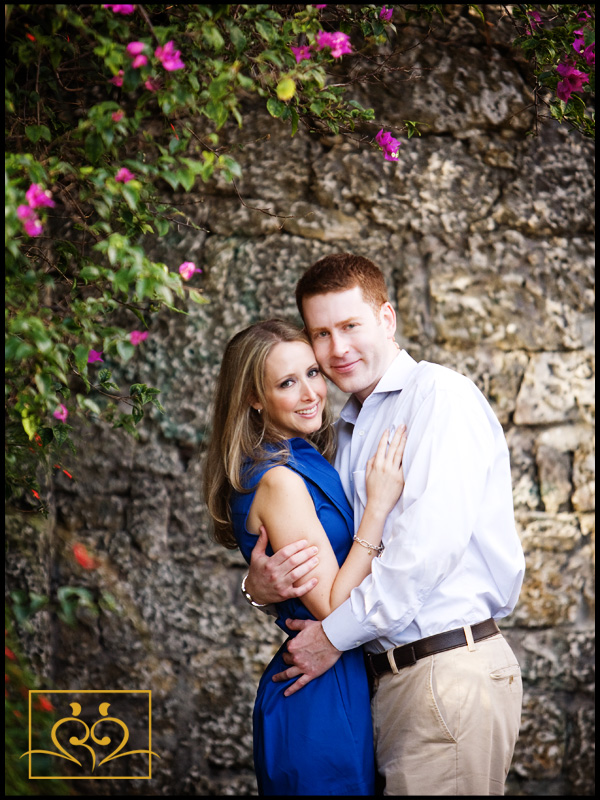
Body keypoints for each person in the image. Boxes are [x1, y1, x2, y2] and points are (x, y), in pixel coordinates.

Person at [243, 253, 526, 796]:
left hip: (445, 673)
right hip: (383, 681)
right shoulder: (345, 429)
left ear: (387, 319)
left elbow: (423, 555)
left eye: (351, 326)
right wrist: (257, 589)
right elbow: (334, 560)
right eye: (321, 333)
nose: (337, 349)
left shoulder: (438, 398)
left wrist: (331, 636)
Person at [202, 318, 407, 796]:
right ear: (255, 398)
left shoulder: (304, 457)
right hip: (316, 695)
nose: (312, 392)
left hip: (340, 679)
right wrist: (376, 509)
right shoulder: (279, 481)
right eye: (287, 383)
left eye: (313, 373)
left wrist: (255, 591)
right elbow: (335, 608)